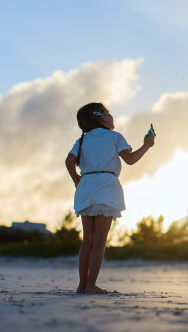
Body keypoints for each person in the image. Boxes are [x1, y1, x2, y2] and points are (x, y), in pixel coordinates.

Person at [65, 102, 155, 294]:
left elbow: (69, 161)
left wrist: (76, 180)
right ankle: (91, 285)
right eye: (108, 112)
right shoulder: (114, 136)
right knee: (99, 241)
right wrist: (147, 145)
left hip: (86, 185)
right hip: (106, 185)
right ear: (102, 117)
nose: (111, 116)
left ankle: (82, 285)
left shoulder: (82, 140)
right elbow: (130, 160)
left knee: (87, 240)